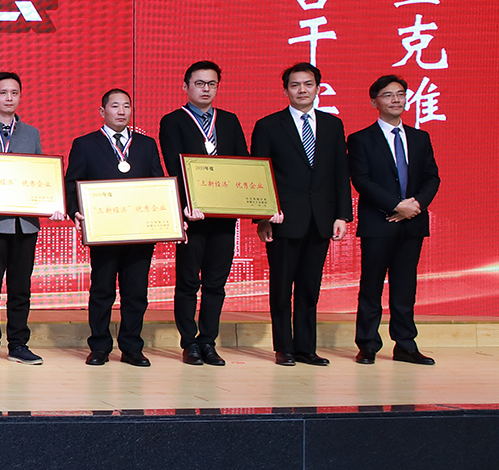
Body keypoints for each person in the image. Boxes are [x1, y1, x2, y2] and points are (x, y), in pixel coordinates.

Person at [0, 71, 64, 367]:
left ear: (20, 97)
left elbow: (40, 172)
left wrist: (52, 204)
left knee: (21, 288)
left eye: (14, 93)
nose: (9, 98)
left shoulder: (31, 133)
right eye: (3, 92)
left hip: (24, 225)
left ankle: (18, 344)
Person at [250, 63, 351, 367]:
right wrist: (263, 217)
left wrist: (342, 215)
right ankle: (284, 348)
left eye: (308, 84)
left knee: (310, 288)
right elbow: (259, 175)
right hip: (283, 220)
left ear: (318, 88)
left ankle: (307, 348)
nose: (302, 90)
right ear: (286, 90)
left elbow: (340, 172)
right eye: (295, 85)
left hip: (321, 220)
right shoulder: (268, 125)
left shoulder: (333, 125)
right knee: (282, 288)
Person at [158, 61, 249, 367]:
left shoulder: (229, 120)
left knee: (215, 283)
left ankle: (208, 341)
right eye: (199, 83)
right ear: (185, 87)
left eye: (211, 84)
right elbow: (173, 166)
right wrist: (185, 206)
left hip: (224, 216)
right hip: (192, 216)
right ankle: (189, 343)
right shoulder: (173, 121)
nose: (205, 89)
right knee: (187, 282)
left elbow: (244, 164)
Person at [66, 88, 165, 367]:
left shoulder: (146, 144)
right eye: (115, 106)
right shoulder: (85, 144)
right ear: (102, 111)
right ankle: (99, 346)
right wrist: (75, 211)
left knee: (136, 292)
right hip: (104, 232)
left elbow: (159, 184)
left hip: (140, 233)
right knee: (102, 291)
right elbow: (72, 183)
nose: (121, 111)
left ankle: (132, 347)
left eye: (126, 106)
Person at [347, 74, 440, 365]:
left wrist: (416, 205)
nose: (396, 100)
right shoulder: (360, 139)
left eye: (400, 94)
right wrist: (395, 205)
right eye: (388, 95)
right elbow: (361, 180)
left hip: (412, 223)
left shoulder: (420, 137)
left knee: (405, 286)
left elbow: (432, 177)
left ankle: (405, 345)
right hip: (378, 223)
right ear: (374, 102)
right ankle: (368, 344)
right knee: (371, 286)